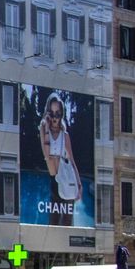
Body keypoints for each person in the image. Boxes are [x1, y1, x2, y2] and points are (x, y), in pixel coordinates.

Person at [38, 92, 80, 227]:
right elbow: (46, 155)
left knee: (68, 224)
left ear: (62, 114)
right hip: (54, 180)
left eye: (58, 114)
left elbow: (72, 161)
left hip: (66, 181)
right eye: (52, 113)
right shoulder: (44, 130)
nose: (55, 118)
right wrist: (45, 128)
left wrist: (79, 185)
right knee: (54, 224)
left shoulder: (65, 135)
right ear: (48, 113)